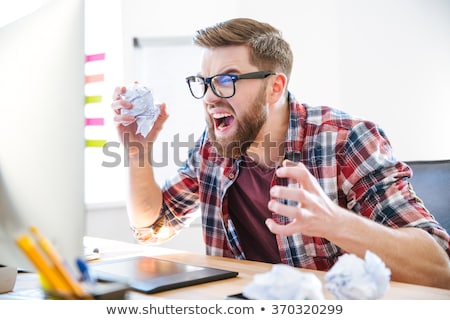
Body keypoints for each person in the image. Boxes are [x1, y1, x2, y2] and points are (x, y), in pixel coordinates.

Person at [111, 17, 450, 289]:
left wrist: (336, 223)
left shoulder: (346, 140)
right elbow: (154, 225)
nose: (210, 97)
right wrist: (138, 149)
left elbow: (439, 268)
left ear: (274, 87)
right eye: (204, 82)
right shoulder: (213, 147)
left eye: (228, 79)